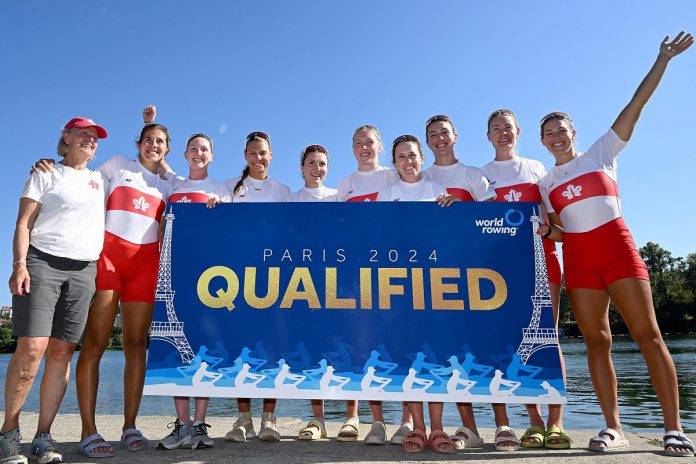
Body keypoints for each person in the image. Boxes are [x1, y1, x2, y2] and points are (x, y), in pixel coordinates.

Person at [537, 32, 693, 457]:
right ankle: (614, 427)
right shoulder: (544, 183)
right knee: (597, 342)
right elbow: (559, 231)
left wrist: (662, 59)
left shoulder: (602, 152)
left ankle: (674, 428)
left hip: (618, 250)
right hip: (581, 262)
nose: (555, 137)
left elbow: (636, 104)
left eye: (560, 130)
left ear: (574, 133)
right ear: (542, 141)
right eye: (547, 133)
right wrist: (543, 231)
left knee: (648, 335)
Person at [0, 118, 107, 464]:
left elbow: (147, 168)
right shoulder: (45, 173)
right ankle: (8, 434)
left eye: (95, 137)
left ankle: (43, 436)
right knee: (31, 348)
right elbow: (23, 223)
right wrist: (19, 264)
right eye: (83, 134)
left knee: (61, 353)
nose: (90, 140)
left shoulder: (100, 178)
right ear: (67, 137)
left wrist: (148, 123)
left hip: (84, 270)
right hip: (43, 262)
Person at [480, 108, 569, 450]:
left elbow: (559, 228)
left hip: (543, 263)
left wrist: (544, 230)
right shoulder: (482, 175)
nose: (503, 133)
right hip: (500, 270)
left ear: (518, 132)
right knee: (509, 344)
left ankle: (556, 422)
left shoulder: (537, 169)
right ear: (488, 136)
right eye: (495, 129)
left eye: (508, 127)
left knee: (550, 339)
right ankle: (532, 421)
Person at [421, 114, 498, 451]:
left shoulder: (473, 175)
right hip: (434, 277)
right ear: (427, 142)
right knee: (443, 353)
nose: (439, 139)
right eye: (433, 135)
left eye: (444, 133)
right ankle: (468, 427)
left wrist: (463, 208)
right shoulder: (420, 177)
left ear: (456, 136)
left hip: (474, 274)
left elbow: (493, 218)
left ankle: (503, 425)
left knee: (481, 349)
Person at [377, 135, 456, 454]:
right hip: (397, 286)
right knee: (409, 356)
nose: (408, 161)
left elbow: (451, 237)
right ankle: (418, 427)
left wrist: (455, 210)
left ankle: (438, 428)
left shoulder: (439, 192)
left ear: (421, 158)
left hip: (433, 283)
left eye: (412, 155)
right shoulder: (386, 195)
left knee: (434, 356)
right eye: (401, 157)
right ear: (393, 163)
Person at [335, 125, 412, 445]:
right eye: (358, 143)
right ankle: (376, 422)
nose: (364, 148)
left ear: (379, 147)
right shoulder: (345, 185)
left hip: (395, 272)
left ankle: (408, 421)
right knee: (364, 346)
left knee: (404, 344)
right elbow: (338, 229)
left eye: (369, 142)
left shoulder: (393, 178)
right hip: (358, 276)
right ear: (352, 149)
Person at [156, 131, 231, 451]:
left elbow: (232, 222)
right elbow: (154, 155)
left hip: (206, 277)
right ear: (185, 154)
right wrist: (150, 123)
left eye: (204, 150)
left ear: (212, 156)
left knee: (201, 347)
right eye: (193, 149)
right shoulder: (173, 184)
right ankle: (182, 423)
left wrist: (221, 206)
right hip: (175, 272)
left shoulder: (221, 188)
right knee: (175, 353)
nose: (199, 153)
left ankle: (199, 423)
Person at [223, 131, 290, 443]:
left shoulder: (283, 190)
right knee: (242, 348)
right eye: (253, 152)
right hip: (239, 278)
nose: (258, 158)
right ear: (245, 155)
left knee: (271, 349)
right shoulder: (230, 187)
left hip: (275, 280)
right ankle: (243, 418)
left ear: (271, 155)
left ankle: (269, 418)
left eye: (263, 153)